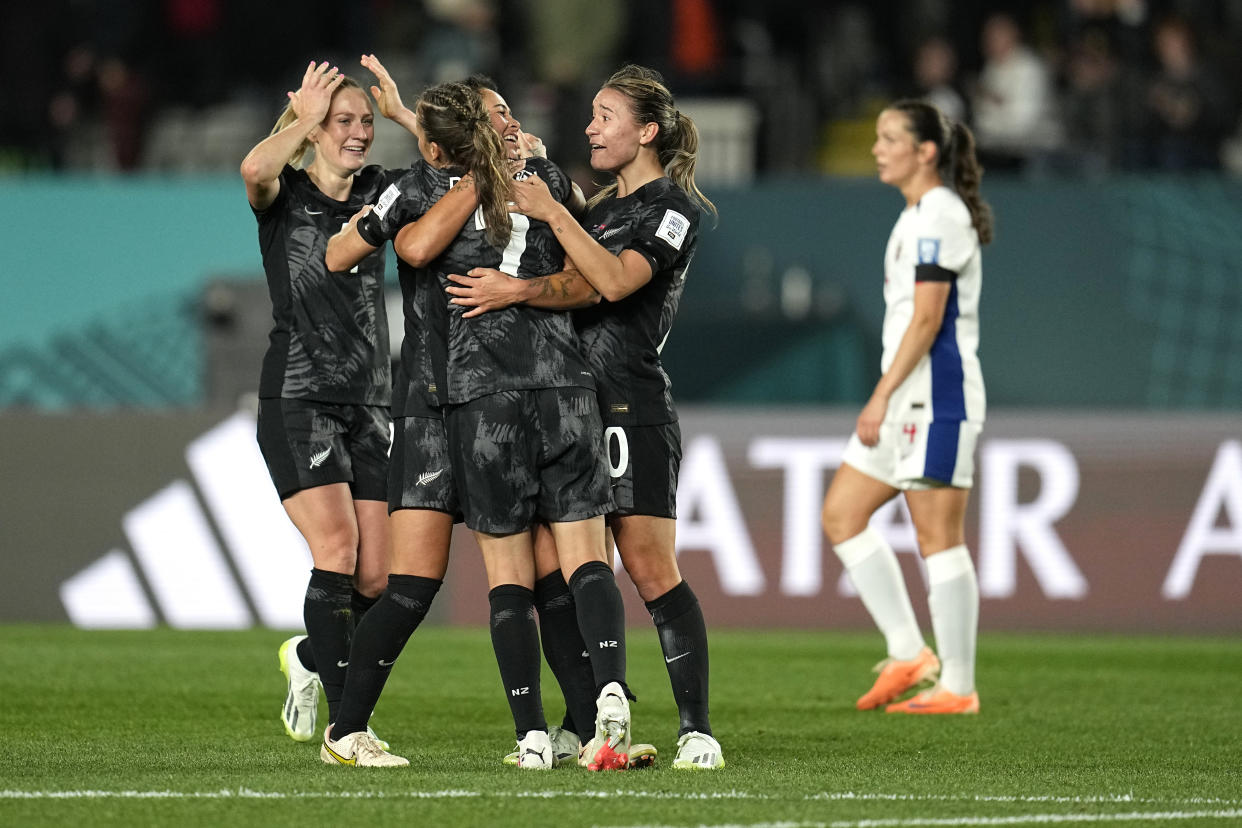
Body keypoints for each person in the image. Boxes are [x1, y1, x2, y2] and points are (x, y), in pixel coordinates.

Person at [324, 79, 636, 771]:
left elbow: (586, 279)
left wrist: (519, 265)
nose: (508, 118)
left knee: (546, 574)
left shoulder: (539, 179)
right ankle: (346, 727)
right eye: (493, 112)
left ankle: (580, 731)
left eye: (506, 109)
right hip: (434, 405)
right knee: (411, 585)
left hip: (500, 399)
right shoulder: (416, 187)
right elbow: (368, 252)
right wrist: (471, 173)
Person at [447, 64, 725, 770]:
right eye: (593, 115)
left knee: (647, 563)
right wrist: (524, 282)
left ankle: (697, 730)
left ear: (647, 131)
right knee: (555, 567)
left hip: (629, 402)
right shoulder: (597, 208)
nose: (591, 128)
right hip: (564, 401)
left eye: (605, 117)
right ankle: (587, 720)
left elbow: (613, 280)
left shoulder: (672, 209)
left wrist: (551, 218)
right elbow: (572, 284)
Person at [240, 59, 402, 749]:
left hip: (368, 401)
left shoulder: (382, 192)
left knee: (378, 575)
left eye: (366, 122)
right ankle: (347, 726)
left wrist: (404, 115)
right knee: (336, 548)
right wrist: (303, 119)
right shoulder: (285, 195)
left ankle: (308, 657)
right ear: (314, 129)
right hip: (298, 395)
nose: (360, 133)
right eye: (346, 121)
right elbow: (252, 170)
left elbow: (455, 174)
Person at [820, 99, 991, 715]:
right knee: (842, 513)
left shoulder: (939, 215)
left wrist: (881, 394)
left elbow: (927, 319)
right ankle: (909, 652)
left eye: (890, 137)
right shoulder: (918, 215)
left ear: (925, 151)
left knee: (937, 537)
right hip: (909, 395)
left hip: (936, 395)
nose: (877, 147)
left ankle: (959, 688)